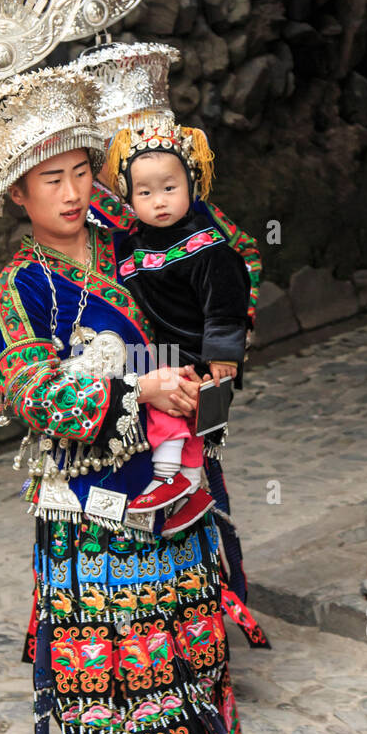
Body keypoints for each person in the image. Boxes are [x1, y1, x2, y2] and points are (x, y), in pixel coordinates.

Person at [0, 65, 265, 734]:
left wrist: (219, 341)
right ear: (19, 197)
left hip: (174, 483)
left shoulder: (130, 242)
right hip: (90, 502)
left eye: (80, 172)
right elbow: (36, 384)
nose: (68, 192)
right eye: (48, 180)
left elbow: (217, 251)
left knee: (183, 645)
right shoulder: (23, 284)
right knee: (113, 665)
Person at [105, 118, 250, 536]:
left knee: (191, 418)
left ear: (192, 185)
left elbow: (225, 303)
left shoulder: (209, 246)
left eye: (170, 188)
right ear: (130, 199)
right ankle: (187, 488)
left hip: (199, 350)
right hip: (157, 351)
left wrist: (223, 354)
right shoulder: (128, 248)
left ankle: (173, 477)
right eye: (145, 193)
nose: (160, 201)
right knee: (156, 398)